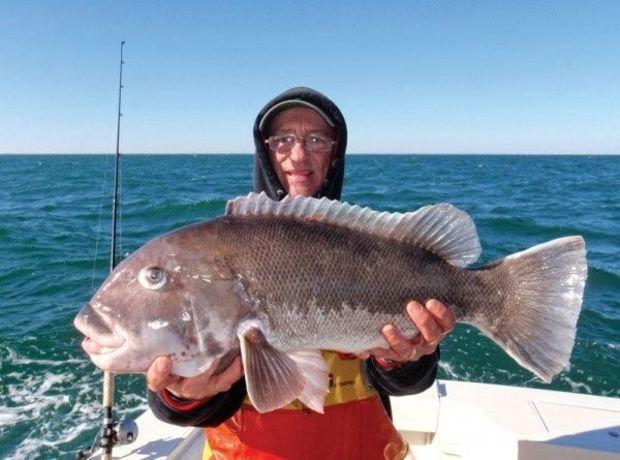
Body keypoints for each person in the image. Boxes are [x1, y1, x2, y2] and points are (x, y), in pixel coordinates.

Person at [146, 87, 455, 459]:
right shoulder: (218, 254)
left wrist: (402, 356)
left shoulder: (374, 247)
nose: (298, 154)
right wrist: (181, 393)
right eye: (283, 139)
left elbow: (409, 383)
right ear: (264, 149)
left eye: (316, 139)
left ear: (335, 151)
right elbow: (177, 404)